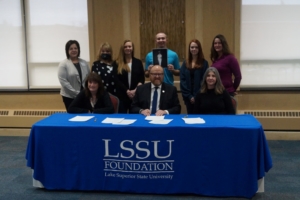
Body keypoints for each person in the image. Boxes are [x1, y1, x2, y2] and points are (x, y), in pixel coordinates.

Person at [113, 40, 145, 113]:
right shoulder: (117, 62)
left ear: (132, 48)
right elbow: (116, 79)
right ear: (123, 49)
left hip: (135, 95)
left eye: (129, 46)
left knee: (134, 117)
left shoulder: (138, 62)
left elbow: (142, 79)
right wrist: (127, 91)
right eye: (125, 47)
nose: (128, 48)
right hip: (122, 95)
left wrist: (135, 90)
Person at [58, 40, 90, 111]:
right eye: (71, 49)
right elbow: (63, 82)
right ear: (67, 50)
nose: (74, 50)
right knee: (73, 117)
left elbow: (89, 77)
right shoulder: (63, 64)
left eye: (75, 48)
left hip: (84, 95)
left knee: (85, 114)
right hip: (69, 96)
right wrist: (76, 93)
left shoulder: (84, 63)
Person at [180, 39, 208, 114]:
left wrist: (196, 96)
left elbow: (204, 80)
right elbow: (183, 81)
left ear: (199, 49)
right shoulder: (185, 63)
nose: (194, 49)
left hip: (200, 96)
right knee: (190, 116)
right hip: (187, 97)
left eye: (196, 47)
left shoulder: (204, 63)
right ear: (189, 49)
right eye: (192, 47)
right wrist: (189, 96)